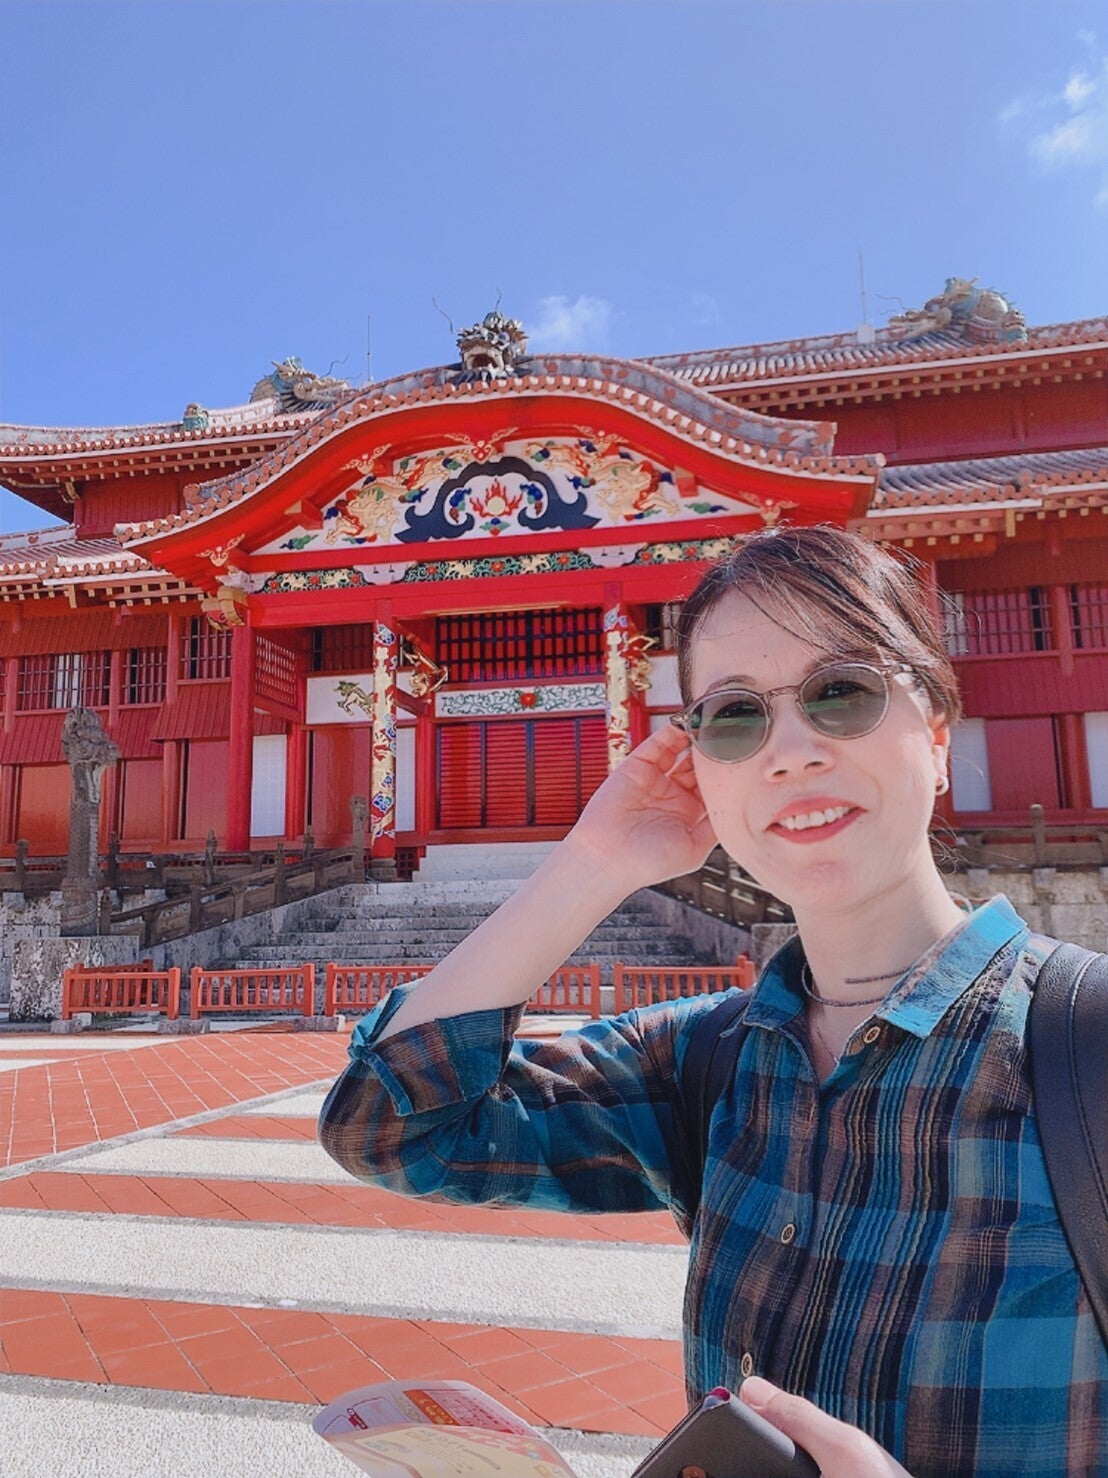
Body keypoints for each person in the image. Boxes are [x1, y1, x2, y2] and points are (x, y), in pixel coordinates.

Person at [319, 525, 1107, 1478]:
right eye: (735, 717)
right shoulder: (703, 1060)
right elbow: (390, 1128)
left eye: (842, 692)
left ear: (936, 736)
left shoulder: (1088, 1055)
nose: (791, 753)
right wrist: (595, 861)